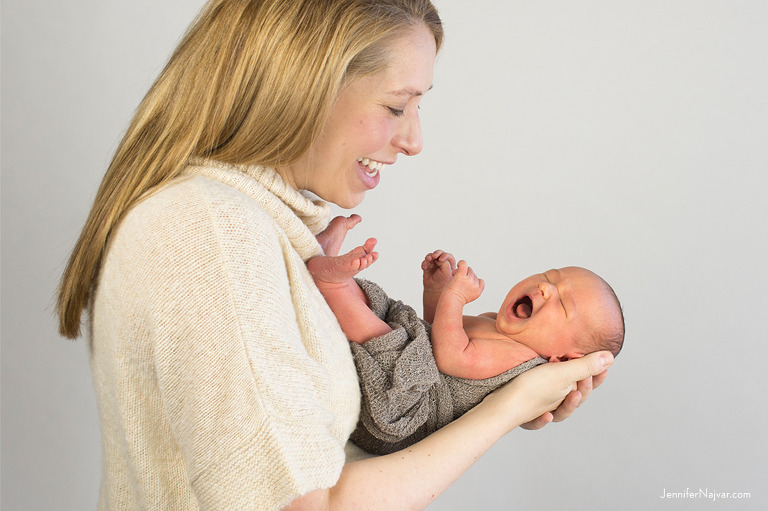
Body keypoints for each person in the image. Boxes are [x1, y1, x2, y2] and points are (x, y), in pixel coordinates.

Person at [56, 1, 613, 509]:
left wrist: (487, 394)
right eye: (397, 106)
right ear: (303, 88)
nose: (414, 140)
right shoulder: (214, 230)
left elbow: (324, 457)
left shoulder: (256, 227)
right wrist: (507, 408)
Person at [308, 215, 624, 454]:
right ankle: (330, 263)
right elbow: (438, 333)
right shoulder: (496, 325)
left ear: (564, 358)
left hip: (405, 410)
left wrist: (455, 298)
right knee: (383, 309)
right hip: (416, 374)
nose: (545, 287)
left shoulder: (520, 358)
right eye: (550, 276)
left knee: (390, 341)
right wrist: (437, 291)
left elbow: (449, 357)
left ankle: (332, 284)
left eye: (563, 303)